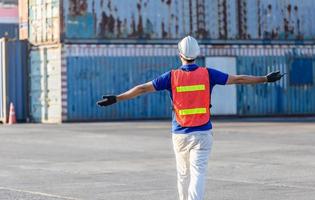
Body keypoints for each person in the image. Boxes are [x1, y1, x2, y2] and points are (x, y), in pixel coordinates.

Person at [97, 36, 284, 200]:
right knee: (198, 174)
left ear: (180, 54)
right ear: (197, 54)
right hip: (203, 133)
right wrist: (265, 79)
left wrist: (117, 98)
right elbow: (239, 79)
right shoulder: (208, 74)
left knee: (183, 174)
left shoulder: (171, 77)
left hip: (180, 134)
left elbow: (142, 88)